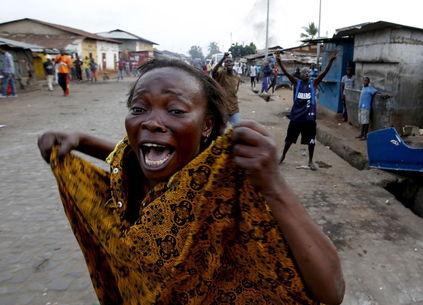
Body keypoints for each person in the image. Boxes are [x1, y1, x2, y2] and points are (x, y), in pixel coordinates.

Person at [37, 58, 344, 305]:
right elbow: (121, 156)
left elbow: (332, 291)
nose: (152, 121)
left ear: (207, 125)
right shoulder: (132, 170)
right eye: (139, 109)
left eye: (175, 110)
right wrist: (80, 141)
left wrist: (274, 184)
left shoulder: (232, 189)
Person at [277, 51, 337, 170]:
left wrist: (330, 61)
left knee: (311, 141)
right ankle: (283, 155)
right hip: (296, 117)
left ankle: (310, 161)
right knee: (289, 139)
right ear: (301, 75)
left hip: (309, 118)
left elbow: (324, 73)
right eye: (305, 73)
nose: (307, 74)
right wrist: (279, 62)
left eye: (308, 73)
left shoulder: (314, 83)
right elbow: (286, 73)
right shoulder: (296, 82)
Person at [212, 52, 241, 125]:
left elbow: (235, 91)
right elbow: (214, 72)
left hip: (234, 109)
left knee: (236, 129)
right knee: (221, 132)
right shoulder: (221, 74)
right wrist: (223, 58)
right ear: (224, 64)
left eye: (230, 61)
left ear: (233, 63)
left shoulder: (237, 77)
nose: (228, 63)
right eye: (226, 62)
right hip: (222, 109)